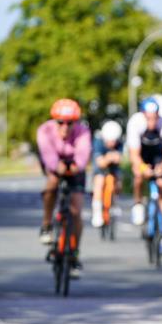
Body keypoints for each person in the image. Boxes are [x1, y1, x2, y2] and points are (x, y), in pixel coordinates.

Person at [36, 99, 92, 276]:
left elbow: (83, 155)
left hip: (75, 167)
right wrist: (56, 167)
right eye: (61, 122)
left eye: (70, 123)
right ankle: (46, 225)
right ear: (55, 121)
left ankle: (74, 253)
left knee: (76, 211)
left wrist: (76, 167)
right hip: (54, 164)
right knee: (52, 184)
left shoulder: (83, 131)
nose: (65, 127)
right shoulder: (45, 130)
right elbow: (47, 154)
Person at [126, 97, 162, 257]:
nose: (152, 121)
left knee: (161, 186)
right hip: (142, 154)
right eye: (149, 117)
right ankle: (138, 204)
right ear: (143, 115)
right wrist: (142, 167)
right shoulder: (135, 123)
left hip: (158, 154)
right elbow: (134, 154)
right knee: (138, 175)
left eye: (154, 117)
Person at [91, 120, 124, 228]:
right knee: (99, 181)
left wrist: (111, 158)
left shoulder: (119, 143)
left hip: (113, 168)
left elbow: (120, 158)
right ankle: (97, 211)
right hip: (101, 168)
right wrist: (109, 157)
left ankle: (114, 202)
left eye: (114, 141)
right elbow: (100, 162)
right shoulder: (98, 142)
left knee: (118, 181)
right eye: (110, 141)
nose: (112, 144)